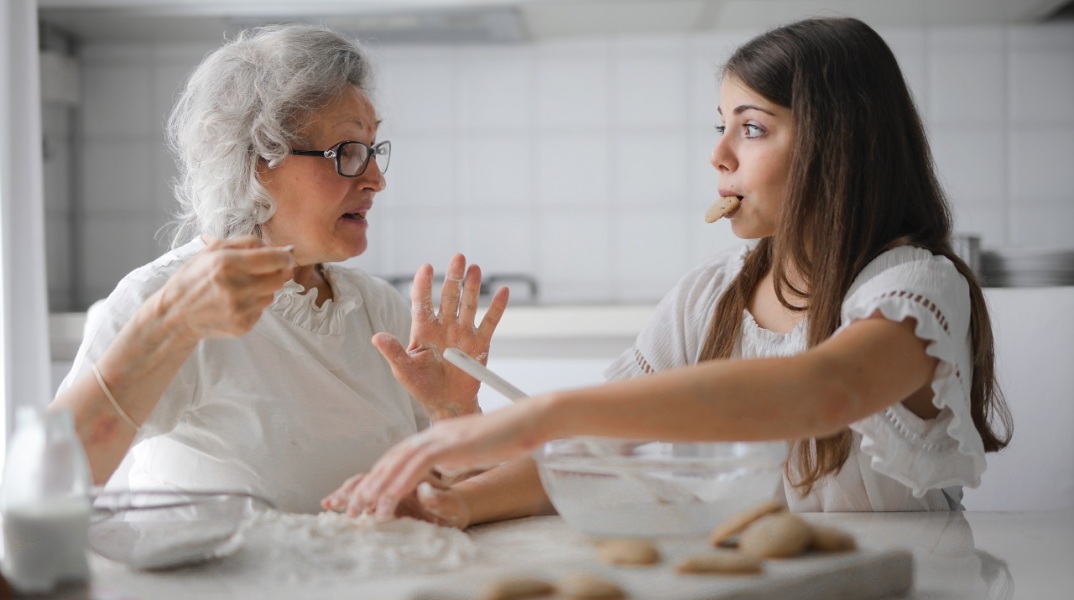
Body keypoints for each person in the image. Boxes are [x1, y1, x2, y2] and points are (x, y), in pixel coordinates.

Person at [323, 16, 1013, 524]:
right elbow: (599, 452)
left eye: (751, 127)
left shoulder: (916, 288)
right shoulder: (709, 296)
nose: (718, 156)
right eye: (719, 126)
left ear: (839, 145)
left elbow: (824, 390)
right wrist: (458, 503)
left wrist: (548, 410)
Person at [49, 24, 508, 514]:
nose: (376, 179)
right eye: (347, 153)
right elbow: (50, 479)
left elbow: (449, 500)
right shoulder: (163, 297)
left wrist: (454, 415)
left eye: (373, 151)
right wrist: (167, 326)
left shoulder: (377, 310)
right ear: (254, 163)